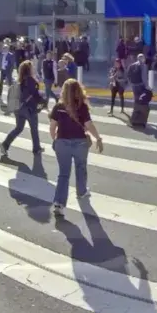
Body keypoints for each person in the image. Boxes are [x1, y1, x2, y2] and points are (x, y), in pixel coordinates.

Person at [48, 79, 104, 217]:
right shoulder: (82, 107)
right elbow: (89, 124)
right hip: (80, 143)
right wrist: (98, 138)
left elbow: (52, 126)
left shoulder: (58, 107)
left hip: (62, 143)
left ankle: (59, 204)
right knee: (81, 167)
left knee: (63, 174)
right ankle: (81, 191)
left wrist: (54, 139)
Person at [0, 60, 45, 158]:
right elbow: (35, 95)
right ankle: (36, 148)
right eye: (32, 67)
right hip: (29, 109)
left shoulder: (19, 81)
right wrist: (42, 98)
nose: (33, 69)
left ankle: (5, 144)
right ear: (29, 70)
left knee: (18, 128)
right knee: (34, 129)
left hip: (18, 109)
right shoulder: (30, 80)